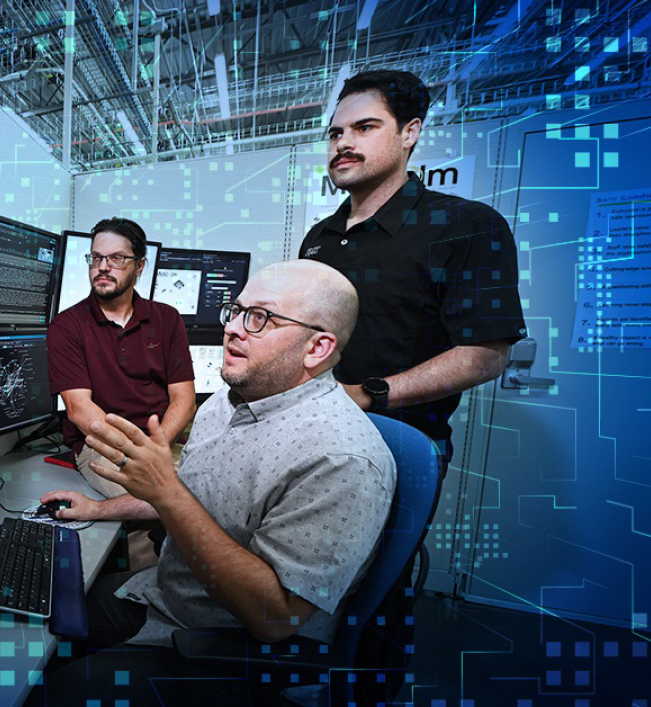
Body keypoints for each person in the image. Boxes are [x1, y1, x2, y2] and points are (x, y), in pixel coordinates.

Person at [27, 260, 395, 706]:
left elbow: (275, 619)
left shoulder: (341, 459)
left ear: (317, 348)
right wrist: (100, 509)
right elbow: (199, 498)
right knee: (38, 613)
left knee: (56, 696)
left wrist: (165, 491)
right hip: (166, 598)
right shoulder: (229, 400)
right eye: (236, 311)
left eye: (260, 318)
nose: (234, 329)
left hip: (227, 649)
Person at [300, 69, 526, 467]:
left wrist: (368, 394)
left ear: (410, 133)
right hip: (310, 430)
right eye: (335, 134)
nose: (344, 143)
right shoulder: (321, 236)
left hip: (398, 445)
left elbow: (485, 354)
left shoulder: (465, 225)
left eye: (364, 127)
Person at [47, 217, 196, 501]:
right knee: (157, 501)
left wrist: (157, 446)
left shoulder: (167, 319)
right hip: (104, 445)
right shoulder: (66, 326)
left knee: (214, 496)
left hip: (162, 439)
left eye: (116, 258)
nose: (103, 267)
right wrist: (140, 453)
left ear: (139, 266)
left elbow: (183, 399)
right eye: (96, 257)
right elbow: (80, 410)